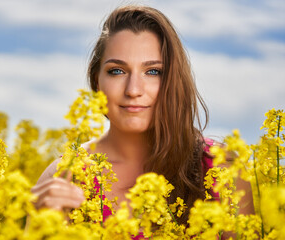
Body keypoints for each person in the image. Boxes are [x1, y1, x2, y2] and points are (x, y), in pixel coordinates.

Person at [31, 4, 254, 227]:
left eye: (153, 72)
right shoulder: (64, 178)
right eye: (117, 71)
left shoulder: (222, 169)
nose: (133, 90)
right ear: (97, 80)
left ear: (173, 81)